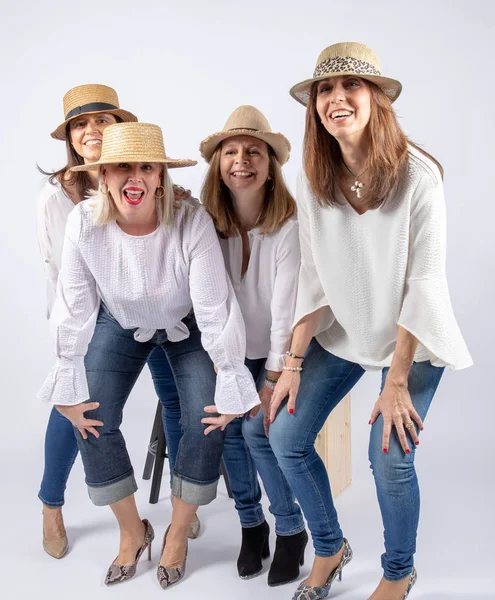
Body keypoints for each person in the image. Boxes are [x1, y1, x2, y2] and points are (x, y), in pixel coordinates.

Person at [267, 42, 473, 600]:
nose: (336, 98)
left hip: (414, 338)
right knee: (285, 435)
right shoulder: (311, 177)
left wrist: (397, 381)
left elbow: (423, 285)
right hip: (345, 330)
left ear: (377, 98)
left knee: (388, 455)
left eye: (350, 86)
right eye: (324, 91)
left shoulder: (418, 176)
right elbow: (312, 274)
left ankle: (399, 570)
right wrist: (292, 362)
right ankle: (330, 549)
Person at [38, 121, 259, 588]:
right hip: (120, 322)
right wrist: (66, 375)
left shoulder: (190, 219)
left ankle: (178, 533)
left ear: (161, 175)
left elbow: (213, 305)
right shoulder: (83, 223)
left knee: (206, 414)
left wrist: (229, 373)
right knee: (89, 413)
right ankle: (131, 530)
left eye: (146, 167)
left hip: (188, 324)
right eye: (121, 167)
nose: (133, 178)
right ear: (103, 175)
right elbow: (74, 306)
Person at [37, 84, 199, 561]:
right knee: (79, 406)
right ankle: (52, 503)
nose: (92, 130)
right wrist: (70, 342)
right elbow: (57, 275)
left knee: (175, 397)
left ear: (120, 129)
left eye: (103, 121)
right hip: (94, 314)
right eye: (80, 124)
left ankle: (179, 501)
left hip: (159, 304)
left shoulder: (147, 177)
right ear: (69, 136)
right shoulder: (58, 198)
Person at [200, 105, 307, 586]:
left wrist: (271, 375)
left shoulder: (287, 223)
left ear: (270, 166)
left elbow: (285, 309)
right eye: (231, 152)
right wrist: (227, 367)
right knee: (225, 433)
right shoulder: (206, 223)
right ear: (218, 164)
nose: (241, 160)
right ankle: (251, 524)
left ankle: (291, 530)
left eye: (254, 152)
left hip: (274, 350)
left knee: (256, 432)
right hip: (227, 348)